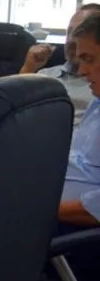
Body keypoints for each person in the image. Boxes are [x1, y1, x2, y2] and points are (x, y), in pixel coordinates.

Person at [20, 4, 100, 126]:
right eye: (70, 32)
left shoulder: (96, 87)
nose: (71, 40)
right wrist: (28, 68)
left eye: (80, 33)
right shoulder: (43, 75)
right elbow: (11, 110)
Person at [58, 11, 100, 227]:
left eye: (89, 60)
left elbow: (96, 207)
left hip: (73, 229)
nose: (82, 71)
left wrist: (38, 206)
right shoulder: (97, 104)